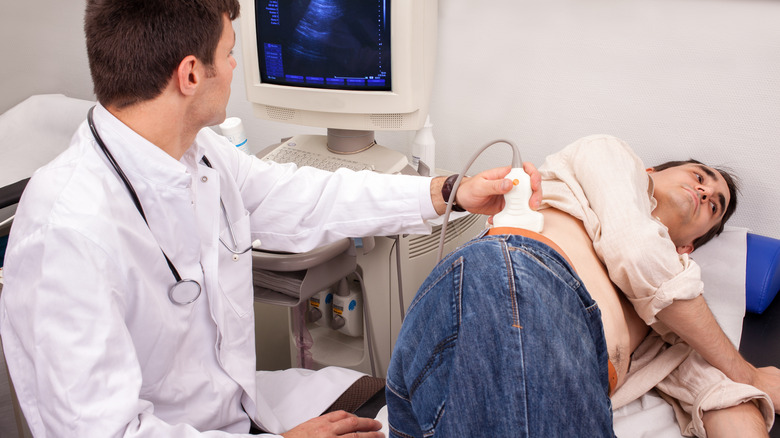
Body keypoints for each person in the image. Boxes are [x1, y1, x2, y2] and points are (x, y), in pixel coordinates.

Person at [0, 1, 530, 437]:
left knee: (403, 403)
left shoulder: (199, 154)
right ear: (189, 74)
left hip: (241, 410)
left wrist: (449, 192)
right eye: (229, 53)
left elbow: (304, 195)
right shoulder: (65, 233)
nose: (235, 66)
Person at [387, 134, 780, 437]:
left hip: (561, 376)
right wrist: (749, 373)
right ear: (648, 174)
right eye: (699, 177)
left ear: (688, 247)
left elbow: (719, 393)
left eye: (715, 206)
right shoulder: (609, 155)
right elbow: (636, 249)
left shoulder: (676, 321)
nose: (706, 192)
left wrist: (747, 387)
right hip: (512, 277)